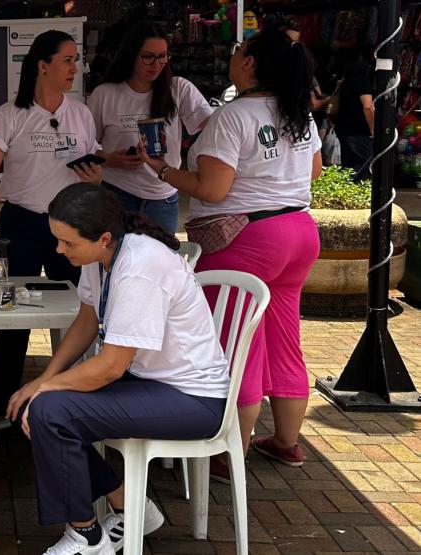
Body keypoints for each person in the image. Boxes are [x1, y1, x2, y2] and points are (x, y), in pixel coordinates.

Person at [137, 25, 322, 479]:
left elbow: (212, 190)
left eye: (239, 51)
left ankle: (229, 450)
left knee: (237, 343)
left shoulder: (232, 116)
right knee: (283, 337)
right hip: (298, 231)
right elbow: (314, 170)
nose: (233, 56)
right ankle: (286, 442)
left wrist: (162, 170)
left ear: (251, 64)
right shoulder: (298, 111)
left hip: (248, 238)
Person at [6, 183, 228, 554]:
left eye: (68, 243)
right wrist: (44, 379)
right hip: (151, 383)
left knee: (49, 411)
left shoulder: (139, 267)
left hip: (193, 400)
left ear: (103, 237)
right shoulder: (104, 254)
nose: (59, 250)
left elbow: (109, 367)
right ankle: (130, 507)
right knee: (33, 408)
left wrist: (45, 389)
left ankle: (88, 537)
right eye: (57, 240)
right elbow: (87, 319)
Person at [0, 29, 103, 437]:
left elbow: (91, 170)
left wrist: (96, 181)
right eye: (66, 59)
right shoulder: (10, 114)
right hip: (22, 223)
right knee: (11, 315)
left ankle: (74, 396)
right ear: (42, 65)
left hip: (71, 226)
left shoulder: (80, 113)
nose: (74, 67)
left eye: (75, 59)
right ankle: (1, 405)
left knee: (84, 310)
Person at [88, 22, 212, 233]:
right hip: (118, 194)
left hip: (164, 197)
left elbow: (214, 128)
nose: (156, 64)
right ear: (131, 55)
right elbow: (85, 146)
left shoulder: (178, 89)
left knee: (161, 262)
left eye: (163, 56)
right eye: (148, 57)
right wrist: (110, 159)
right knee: (120, 262)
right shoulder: (104, 94)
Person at [333, 49, 374, 180]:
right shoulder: (363, 82)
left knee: (348, 165)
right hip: (358, 130)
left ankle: (346, 192)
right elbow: (367, 106)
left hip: (343, 127)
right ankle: (355, 193)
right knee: (362, 165)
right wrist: (373, 128)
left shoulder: (344, 82)